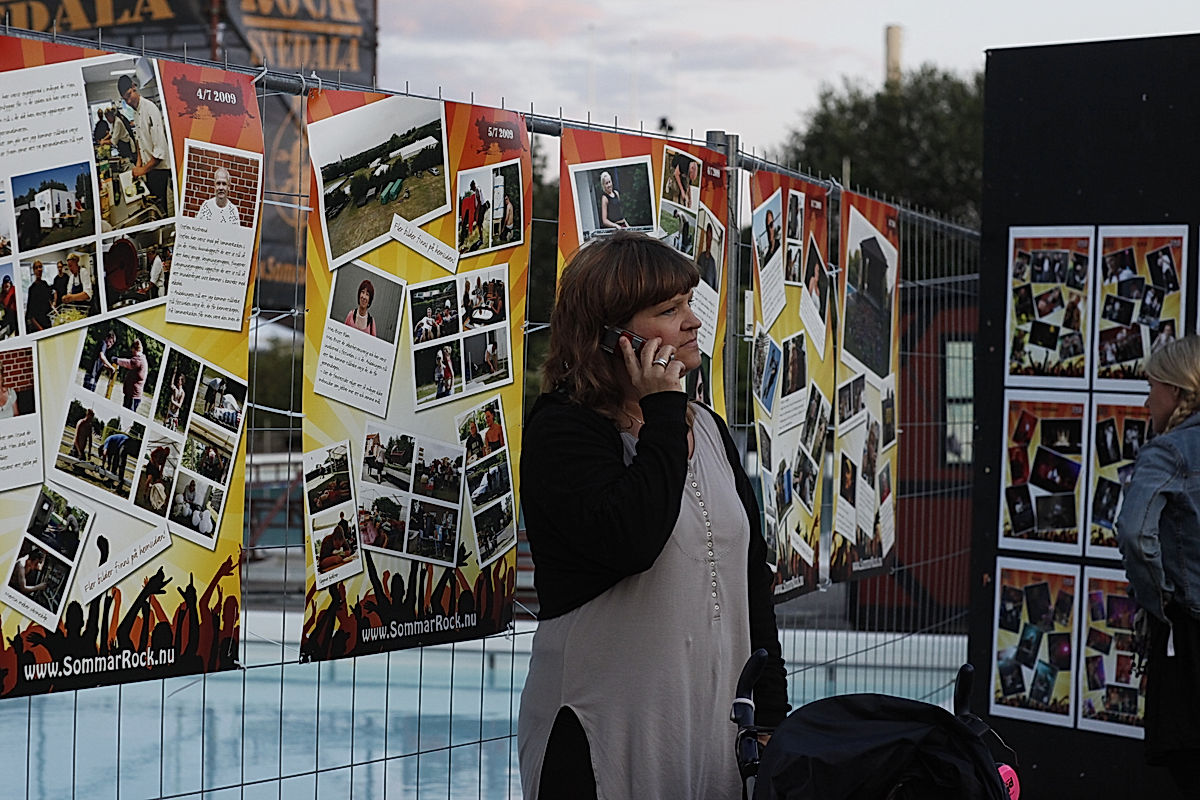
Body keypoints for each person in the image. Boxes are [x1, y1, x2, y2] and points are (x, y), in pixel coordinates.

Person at [517, 232, 788, 799]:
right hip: (604, 733)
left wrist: (772, 717)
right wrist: (663, 412)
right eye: (669, 310)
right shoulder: (562, 431)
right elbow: (632, 540)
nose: (693, 320)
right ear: (613, 335)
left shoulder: (708, 429)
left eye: (689, 301)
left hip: (714, 730)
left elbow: (751, 579)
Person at [1116, 335, 1200, 798]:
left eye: (1152, 388)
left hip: (1188, 635)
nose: (1148, 401)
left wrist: (1158, 600)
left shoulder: (1169, 451)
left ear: (1177, 390)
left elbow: (1133, 532)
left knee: (1187, 757)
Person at [118, 74, 172, 216]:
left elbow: (160, 152)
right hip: (150, 167)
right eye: (125, 99)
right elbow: (140, 140)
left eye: (129, 95)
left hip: (159, 168)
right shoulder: (135, 112)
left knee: (160, 206)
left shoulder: (151, 109)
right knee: (151, 202)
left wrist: (142, 170)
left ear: (134, 86)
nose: (129, 101)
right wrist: (138, 164)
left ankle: (164, 226)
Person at [113, 337, 148, 412]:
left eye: (132, 351)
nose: (132, 353)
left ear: (135, 349)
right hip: (132, 395)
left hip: (133, 396)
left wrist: (116, 360)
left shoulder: (138, 360)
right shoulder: (141, 359)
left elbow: (128, 363)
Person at [25, 259, 53, 331]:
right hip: (38, 325)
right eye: (36, 268)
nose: (39, 269)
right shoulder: (31, 289)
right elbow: (30, 314)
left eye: (40, 267)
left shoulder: (45, 284)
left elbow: (49, 299)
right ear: (33, 271)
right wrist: (40, 328)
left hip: (48, 322)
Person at [695, 222, 718, 288]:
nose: (708, 241)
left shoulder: (712, 261)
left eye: (710, 238)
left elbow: (714, 284)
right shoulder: (701, 256)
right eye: (707, 237)